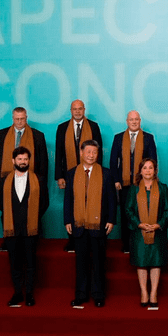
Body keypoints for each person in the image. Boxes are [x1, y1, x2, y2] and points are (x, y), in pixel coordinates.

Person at [64, 140, 116, 308]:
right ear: (81, 153)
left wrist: (111, 220)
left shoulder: (106, 174)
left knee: (99, 262)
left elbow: (111, 200)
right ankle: (80, 295)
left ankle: (98, 295)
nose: (91, 155)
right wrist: (67, 220)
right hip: (78, 225)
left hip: (99, 224)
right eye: (88, 152)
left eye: (94, 152)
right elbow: (68, 200)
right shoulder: (72, 174)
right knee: (81, 262)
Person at [0, 147, 49, 307]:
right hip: (12, 229)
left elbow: (44, 203)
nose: (23, 162)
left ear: (29, 161)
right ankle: (18, 293)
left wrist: (31, 218)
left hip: (31, 229)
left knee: (31, 263)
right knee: (15, 263)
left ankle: (29, 294)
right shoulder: (4, 181)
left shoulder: (39, 180)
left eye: (25, 159)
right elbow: (1, 205)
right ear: (13, 161)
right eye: (19, 159)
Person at [0, 107, 48, 251]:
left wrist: (41, 182)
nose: (19, 121)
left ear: (26, 117)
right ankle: (8, 239)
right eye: (17, 119)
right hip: (7, 181)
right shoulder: (3, 133)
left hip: (31, 180)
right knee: (7, 210)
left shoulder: (37, 135)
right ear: (12, 118)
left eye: (22, 118)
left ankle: (32, 240)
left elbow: (43, 160)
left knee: (32, 210)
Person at [55, 100, 103, 252]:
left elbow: (98, 152)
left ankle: (89, 240)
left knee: (90, 205)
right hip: (71, 174)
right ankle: (72, 241)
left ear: (84, 110)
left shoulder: (93, 126)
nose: (77, 111)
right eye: (74, 109)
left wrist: (98, 173)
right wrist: (59, 176)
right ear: (70, 110)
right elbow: (59, 154)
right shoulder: (62, 128)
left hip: (91, 173)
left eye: (80, 109)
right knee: (73, 206)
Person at [125, 158, 168, 308]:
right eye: (145, 168)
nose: (148, 171)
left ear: (155, 170)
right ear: (140, 171)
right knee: (142, 262)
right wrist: (139, 224)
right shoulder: (134, 189)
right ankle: (144, 292)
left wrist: (158, 225)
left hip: (158, 231)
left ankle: (154, 293)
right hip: (140, 231)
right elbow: (128, 210)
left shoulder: (163, 188)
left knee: (156, 261)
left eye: (151, 168)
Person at [110, 110, 157, 253]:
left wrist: (150, 181)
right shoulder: (118, 138)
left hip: (142, 183)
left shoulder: (148, 138)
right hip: (123, 184)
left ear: (140, 121)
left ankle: (140, 243)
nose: (134, 122)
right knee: (126, 214)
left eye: (136, 119)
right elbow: (113, 161)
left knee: (141, 213)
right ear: (127, 121)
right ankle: (126, 244)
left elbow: (153, 161)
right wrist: (116, 179)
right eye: (131, 119)